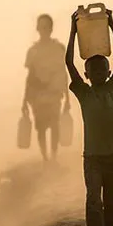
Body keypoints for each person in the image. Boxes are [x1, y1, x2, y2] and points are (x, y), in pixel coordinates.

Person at [66, 8, 113, 226]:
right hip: (92, 157)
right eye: (95, 71)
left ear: (109, 72)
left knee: (110, 204)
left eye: (104, 70)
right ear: (87, 75)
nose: (100, 75)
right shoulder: (83, 92)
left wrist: (112, 24)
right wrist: (73, 32)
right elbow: (69, 63)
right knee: (94, 201)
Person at [22, 14, 71, 161]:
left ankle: (54, 156)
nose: (44, 30)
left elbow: (64, 73)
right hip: (37, 95)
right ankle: (45, 158)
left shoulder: (58, 49)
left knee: (55, 125)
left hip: (54, 93)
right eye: (41, 27)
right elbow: (30, 77)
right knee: (41, 127)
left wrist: (68, 98)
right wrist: (24, 100)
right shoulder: (33, 51)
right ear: (37, 28)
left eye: (46, 27)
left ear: (51, 29)